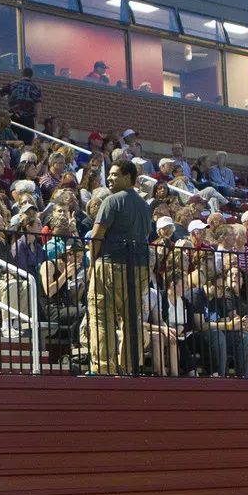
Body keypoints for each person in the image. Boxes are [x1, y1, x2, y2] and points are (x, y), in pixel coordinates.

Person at [86, 158, 155, 375]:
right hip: (139, 268)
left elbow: (97, 235)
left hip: (110, 265)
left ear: (129, 177)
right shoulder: (145, 206)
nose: (110, 178)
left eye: (115, 174)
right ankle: (130, 368)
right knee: (131, 319)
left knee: (101, 316)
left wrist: (91, 264)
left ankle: (104, 370)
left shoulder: (111, 201)